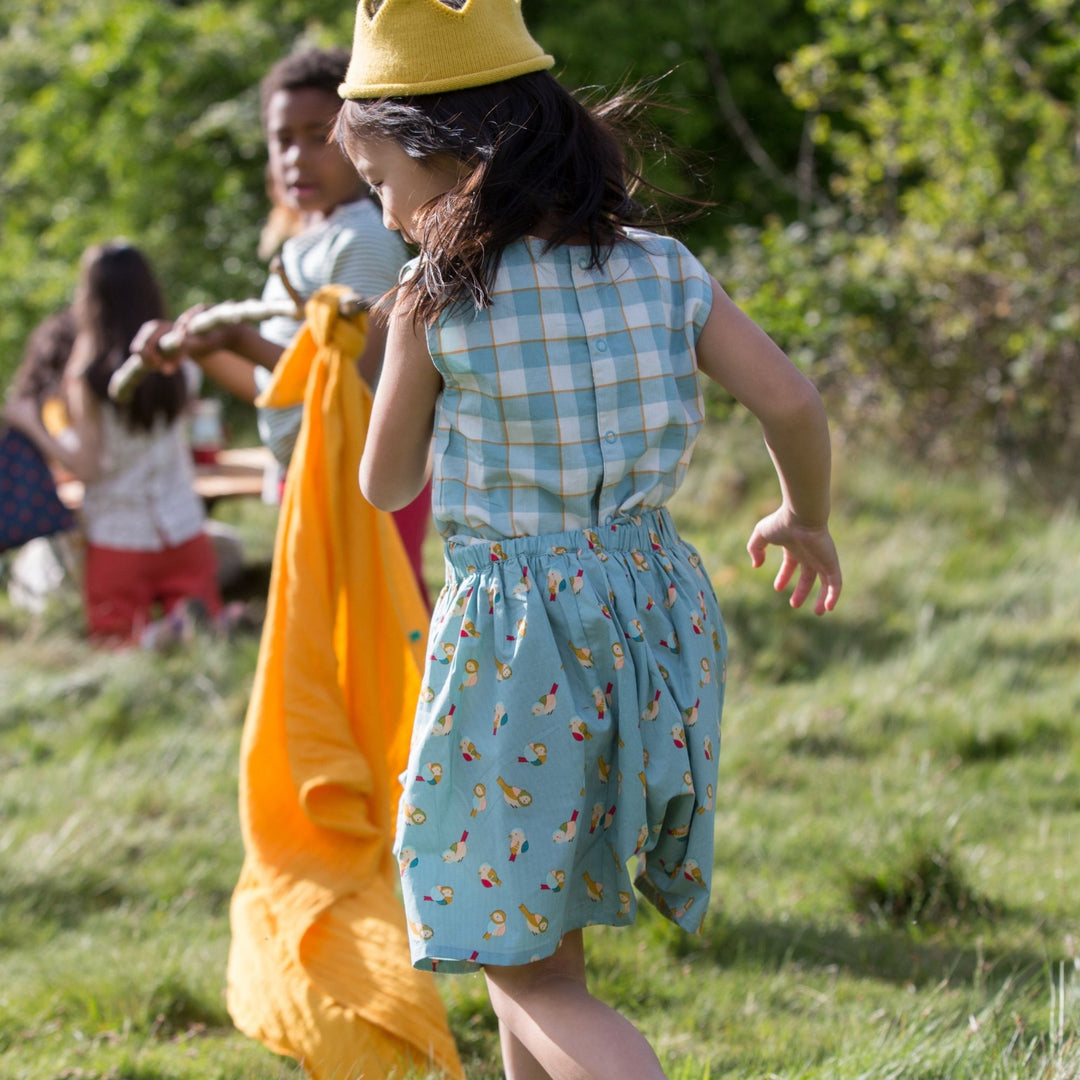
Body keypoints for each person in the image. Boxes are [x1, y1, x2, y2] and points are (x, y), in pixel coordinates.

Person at [331, 1, 843, 1078]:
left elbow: (386, 484)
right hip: (653, 612)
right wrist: (806, 514)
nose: (383, 212)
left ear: (444, 153)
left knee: (516, 964)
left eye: (381, 183)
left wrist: (375, 365)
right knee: (540, 933)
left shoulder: (435, 296)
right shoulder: (662, 266)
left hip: (518, 642)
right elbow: (791, 401)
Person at [136, 46, 431, 598]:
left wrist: (240, 338)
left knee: (385, 633)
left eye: (317, 136)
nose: (297, 156)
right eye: (281, 139)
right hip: (316, 475)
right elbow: (277, 389)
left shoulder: (359, 241)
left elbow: (347, 379)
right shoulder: (302, 244)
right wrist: (208, 348)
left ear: (362, 138)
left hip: (364, 481)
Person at [3, 241, 222, 644]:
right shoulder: (181, 360)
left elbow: (87, 466)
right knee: (203, 633)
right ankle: (181, 628)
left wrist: (33, 425)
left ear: (90, 296)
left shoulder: (87, 373)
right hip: (184, 526)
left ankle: (160, 636)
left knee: (114, 641)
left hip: (119, 536)